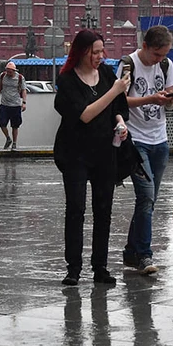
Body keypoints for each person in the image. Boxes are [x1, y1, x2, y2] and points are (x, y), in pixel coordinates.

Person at [53, 30, 130, 286]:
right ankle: (73, 268)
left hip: (104, 152)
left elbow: (118, 108)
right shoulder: (67, 80)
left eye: (102, 51)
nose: (100, 56)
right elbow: (85, 115)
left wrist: (120, 123)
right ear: (82, 52)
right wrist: (115, 90)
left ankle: (100, 267)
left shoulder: (107, 74)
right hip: (75, 153)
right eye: (95, 52)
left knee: (104, 210)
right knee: (76, 209)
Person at [120, 25, 173, 276]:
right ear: (145, 46)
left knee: (149, 200)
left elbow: (172, 93)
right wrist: (150, 99)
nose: (159, 60)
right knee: (145, 197)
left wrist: (168, 97)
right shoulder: (128, 65)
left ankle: (131, 252)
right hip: (135, 140)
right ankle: (144, 254)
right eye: (156, 55)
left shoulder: (166, 65)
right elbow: (119, 100)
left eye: (163, 55)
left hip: (160, 140)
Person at [0, 61, 27, 150]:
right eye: (7, 71)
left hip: (15, 105)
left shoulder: (20, 78)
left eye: (10, 71)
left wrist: (24, 102)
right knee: (1, 122)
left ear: (14, 71)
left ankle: (14, 143)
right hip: (4, 104)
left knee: (15, 126)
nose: (8, 73)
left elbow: (24, 90)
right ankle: (8, 138)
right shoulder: (2, 76)